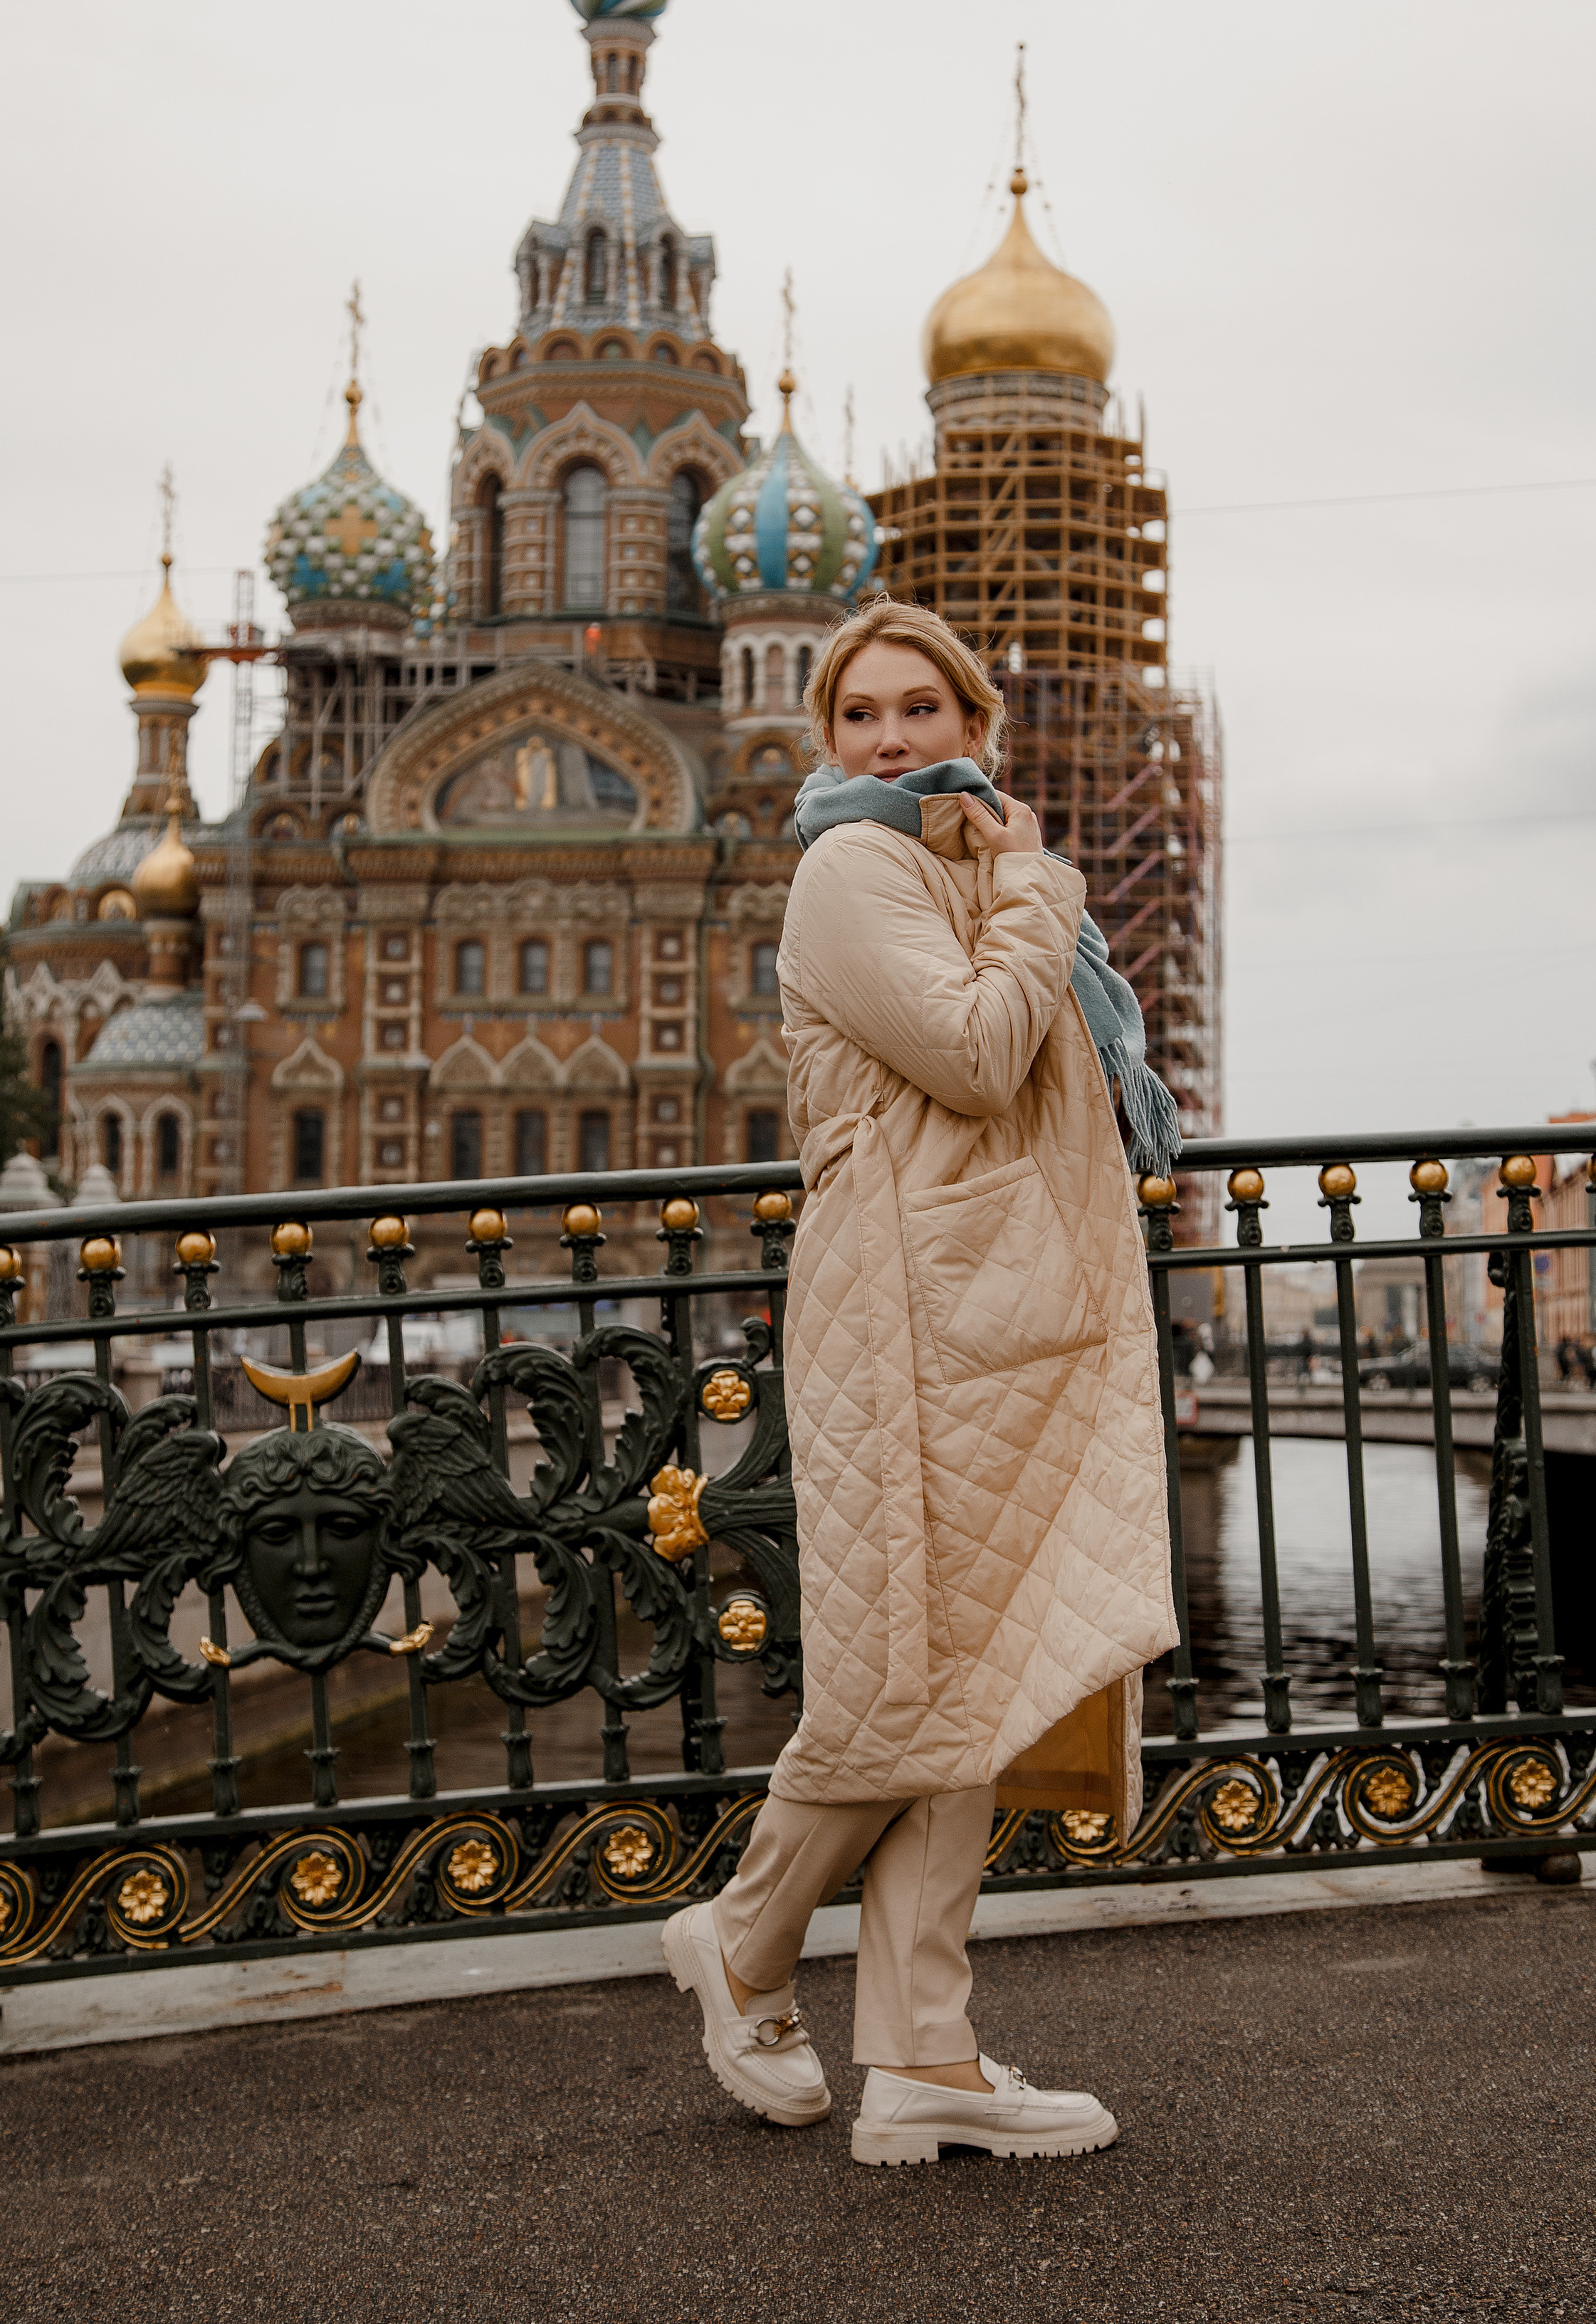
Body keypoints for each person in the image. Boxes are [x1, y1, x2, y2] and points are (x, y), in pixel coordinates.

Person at [663, 598, 1179, 2167]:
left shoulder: (955, 863)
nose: (890, 741)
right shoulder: (856, 866)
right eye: (860, 717)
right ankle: (743, 1940)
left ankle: (922, 2057)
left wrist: (1018, 889)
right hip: (900, 1317)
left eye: (919, 711)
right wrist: (1033, 888)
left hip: (989, 1315)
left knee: (981, 1680)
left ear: (974, 722)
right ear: (824, 741)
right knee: (902, 1687)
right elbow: (969, 1050)